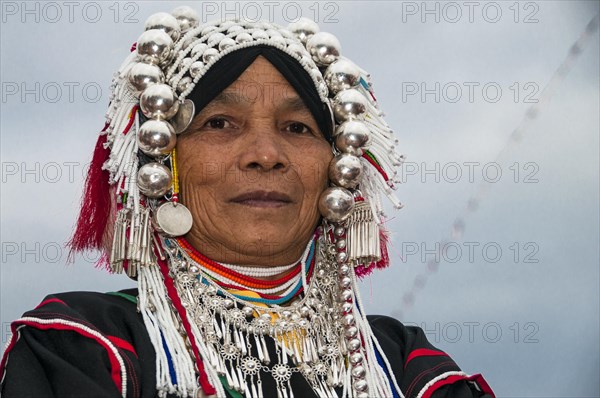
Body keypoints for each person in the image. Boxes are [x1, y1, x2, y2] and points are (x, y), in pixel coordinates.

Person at [0, 6, 495, 398]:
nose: (265, 155)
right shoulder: (88, 348)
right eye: (220, 124)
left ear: (337, 169)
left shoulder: (409, 370)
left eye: (297, 128)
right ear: (162, 161)